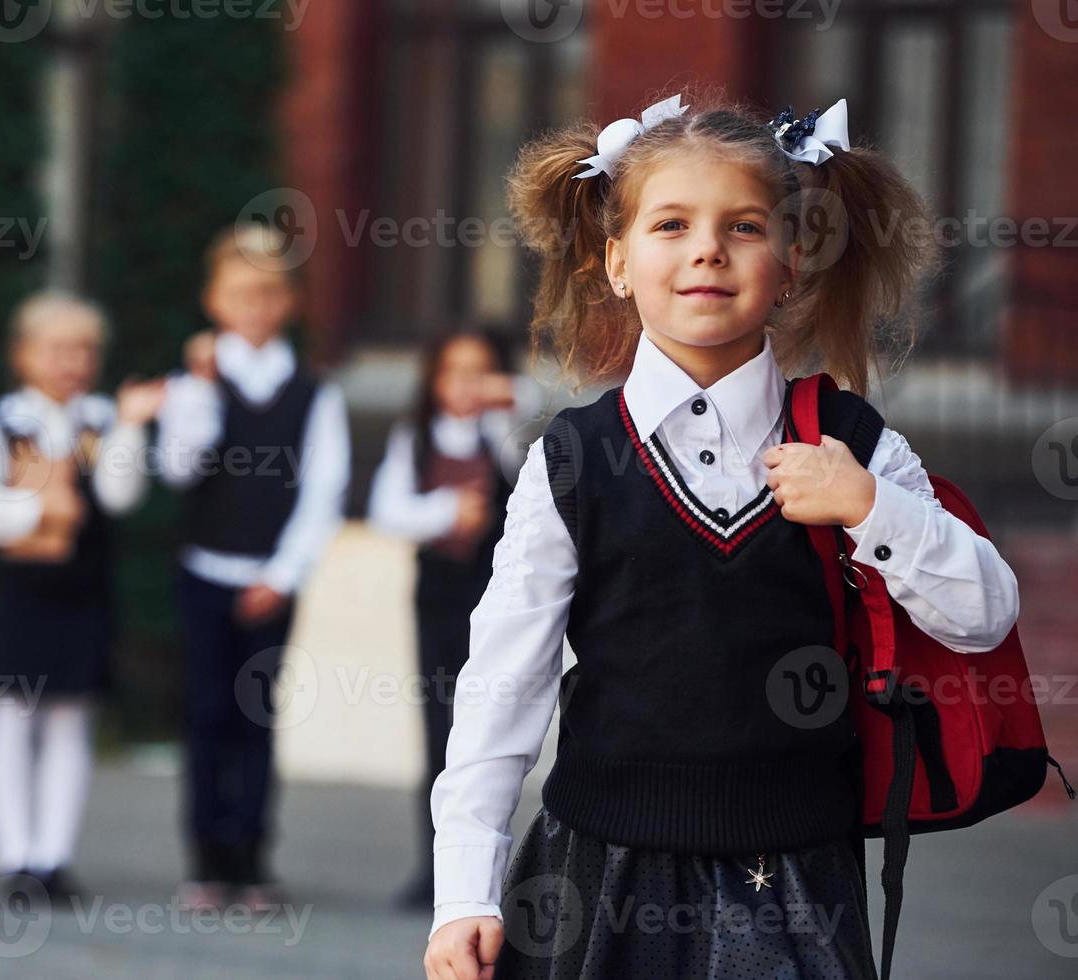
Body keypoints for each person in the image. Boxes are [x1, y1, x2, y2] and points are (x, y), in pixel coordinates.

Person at [423, 90, 1022, 980]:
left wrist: (870, 511)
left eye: (744, 226)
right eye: (671, 224)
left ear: (790, 259)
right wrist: (465, 891)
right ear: (618, 261)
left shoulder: (852, 446)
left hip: (795, 878)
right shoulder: (574, 461)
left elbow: (987, 614)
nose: (707, 248)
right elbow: (504, 682)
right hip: (596, 876)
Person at [155, 224, 351, 912]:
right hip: (206, 570)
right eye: (240, 294)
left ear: (288, 302)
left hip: (269, 579)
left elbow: (323, 490)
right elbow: (179, 465)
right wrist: (203, 390)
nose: (255, 307)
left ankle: (251, 857)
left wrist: (283, 573)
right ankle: (206, 861)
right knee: (205, 713)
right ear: (214, 299)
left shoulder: (311, 391)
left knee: (255, 716)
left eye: (268, 294)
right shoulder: (193, 382)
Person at [0, 291, 165, 900]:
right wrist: (38, 505)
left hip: (84, 592)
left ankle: (53, 856)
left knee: (73, 719)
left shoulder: (103, 422)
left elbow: (123, 496)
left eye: (83, 349)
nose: (70, 361)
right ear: (22, 356)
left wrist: (130, 425)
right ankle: (14, 856)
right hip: (23, 593)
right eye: (55, 348)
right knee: (14, 715)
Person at [365, 329, 539, 909]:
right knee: (439, 729)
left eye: (477, 370)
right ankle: (434, 864)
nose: (464, 384)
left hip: (492, 596)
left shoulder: (502, 433)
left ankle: (494, 866)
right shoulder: (414, 436)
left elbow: (529, 411)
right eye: (453, 371)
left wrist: (498, 400)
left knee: (490, 728)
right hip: (437, 598)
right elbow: (387, 510)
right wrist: (445, 510)